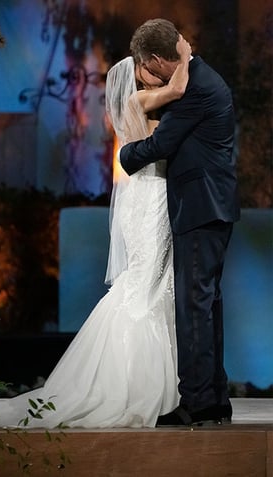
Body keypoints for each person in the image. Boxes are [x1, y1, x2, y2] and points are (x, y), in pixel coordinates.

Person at [0, 36, 192, 429]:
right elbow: (179, 88)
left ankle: (162, 386)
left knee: (148, 284)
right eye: (145, 72)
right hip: (149, 197)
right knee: (143, 286)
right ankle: (135, 386)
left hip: (147, 195)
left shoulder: (132, 105)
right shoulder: (137, 103)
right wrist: (185, 55)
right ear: (134, 81)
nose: (151, 76)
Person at [120, 18, 239, 427]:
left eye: (147, 69)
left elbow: (160, 144)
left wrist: (125, 156)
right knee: (206, 304)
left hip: (201, 206)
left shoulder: (195, 89)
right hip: (213, 205)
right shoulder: (196, 77)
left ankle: (197, 402)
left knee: (193, 306)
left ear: (155, 59)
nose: (148, 78)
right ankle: (215, 399)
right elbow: (160, 104)